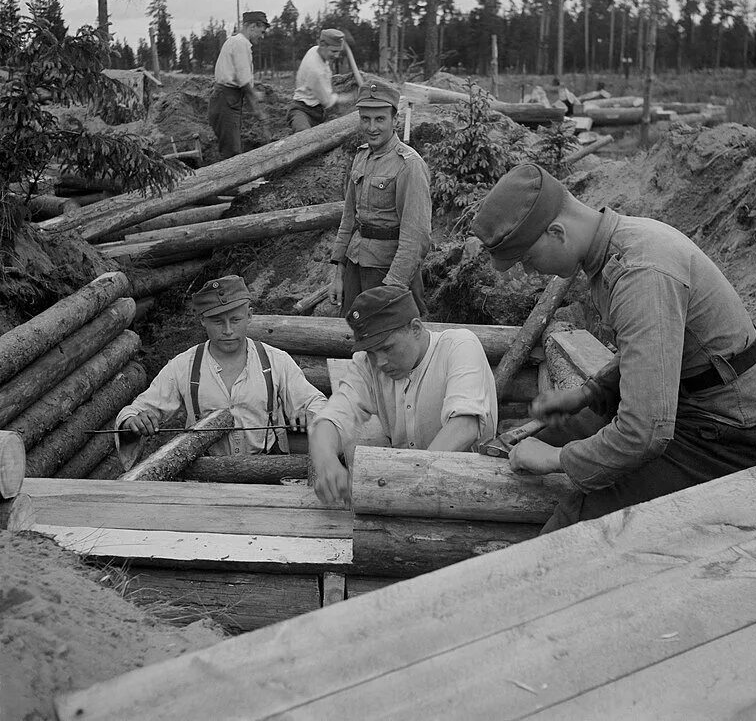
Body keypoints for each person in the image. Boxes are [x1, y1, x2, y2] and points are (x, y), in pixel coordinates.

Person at [472, 162, 756, 532]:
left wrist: (556, 460)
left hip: (727, 434)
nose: (529, 272)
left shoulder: (641, 273)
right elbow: (650, 352)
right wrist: (588, 394)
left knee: (573, 530)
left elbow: (644, 432)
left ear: (557, 232)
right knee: (546, 435)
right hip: (685, 407)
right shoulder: (616, 248)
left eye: (527, 259)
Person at [309, 285, 498, 505]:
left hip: (475, 492)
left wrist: (406, 480)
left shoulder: (460, 345)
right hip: (408, 495)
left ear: (415, 328)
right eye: (371, 352)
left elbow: (465, 425)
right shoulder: (367, 365)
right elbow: (332, 419)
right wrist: (327, 462)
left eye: (387, 348)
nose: (380, 362)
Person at [116, 275, 327, 461]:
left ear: (250, 316)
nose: (228, 330)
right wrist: (133, 421)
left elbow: (317, 402)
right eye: (217, 322)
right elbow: (134, 412)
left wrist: (310, 414)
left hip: (267, 471)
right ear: (202, 321)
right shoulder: (184, 366)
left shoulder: (275, 361)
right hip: (206, 474)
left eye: (235, 320)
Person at [328, 79, 432, 316]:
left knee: (392, 337)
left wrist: (393, 286)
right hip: (356, 266)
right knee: (352, 333)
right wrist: (339, 273)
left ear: (395, 120)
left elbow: (416, 236)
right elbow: (349, 220)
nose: (372, 127)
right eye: (365, 119)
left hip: (388, 273)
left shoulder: (409, 165)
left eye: (380, 119)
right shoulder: (361, 156)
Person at [207, 10, 270, 159]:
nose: (262, 36)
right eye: (261, 31)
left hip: (228, 99)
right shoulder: (240, 44)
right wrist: (256, 99)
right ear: (252, 26)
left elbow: (243, 81)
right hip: (226, 99)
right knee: (232, 152)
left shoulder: (237, 42)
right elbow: (245, 83)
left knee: (231, 148)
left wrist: (256, 109)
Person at [288, 29, 348, 133]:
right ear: (322, 45)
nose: (337, 55)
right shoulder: (316, 71)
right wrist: (347, 98)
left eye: (339, 51)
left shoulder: (315, 50)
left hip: (318, 111)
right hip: (302, 111)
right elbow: (327, 101)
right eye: (334, 51)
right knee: (304, 137)